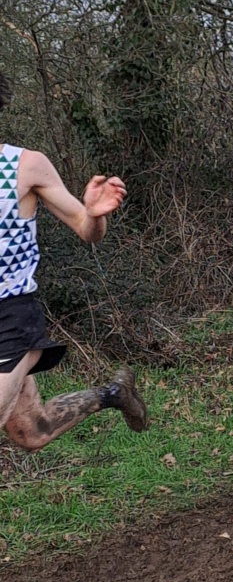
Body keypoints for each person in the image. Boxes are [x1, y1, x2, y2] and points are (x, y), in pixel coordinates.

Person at [0, 71, 148, 451]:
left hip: (10, 318)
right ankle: (114, 394)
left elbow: (85, 228)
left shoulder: (24, 166)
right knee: (32, 431)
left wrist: (94, 213)